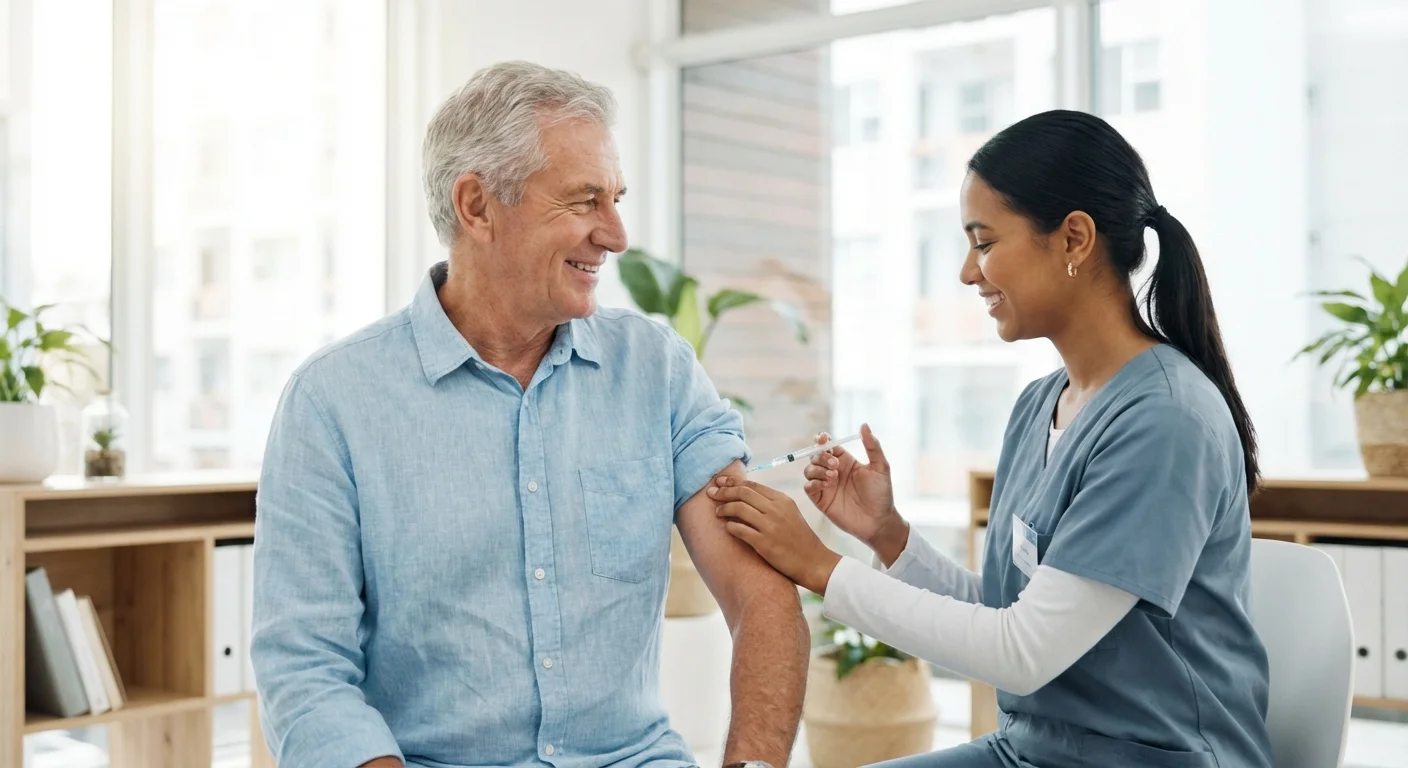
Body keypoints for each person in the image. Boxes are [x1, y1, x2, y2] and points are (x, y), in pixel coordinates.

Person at [250, 61, 809, 768]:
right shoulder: (332, 403)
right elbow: (304, 670)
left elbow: (760, 594)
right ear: (478, 206)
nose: (616, 234)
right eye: (584, 202)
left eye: (616, 199)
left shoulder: (658, 371)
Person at [706, 109, 1275, 768]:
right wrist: (887, 535)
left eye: (983, 242)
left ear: (1074, 240)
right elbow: (1003, 612)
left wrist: (818, 566)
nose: (967, 274)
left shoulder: (1165, 422)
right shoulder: (1041, 407)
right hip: (1031, 751)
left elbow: (1022, 650)